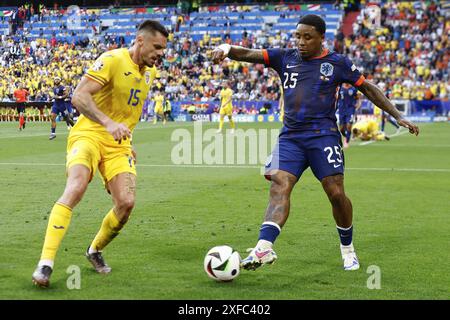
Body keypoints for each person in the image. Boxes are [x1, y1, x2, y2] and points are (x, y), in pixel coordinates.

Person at [211, 14, 419, 272]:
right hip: (290, 137)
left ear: (322, 37)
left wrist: (397, 115)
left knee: (336, 193)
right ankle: (264, 246)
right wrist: (226, 49)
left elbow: (368, 88)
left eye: (307, 37)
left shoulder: (337, 63)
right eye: (298, 36)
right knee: (279, 184)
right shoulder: (284, 57)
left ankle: (348, 249)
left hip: (324, 137)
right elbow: (250, 53)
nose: (300, 41)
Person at [31, 20, 168, 288]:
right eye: (157, 47)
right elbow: (79, 96)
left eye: (163, 49)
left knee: (126, 204)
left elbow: (126, 112)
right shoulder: (112, 60)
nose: (161, 53)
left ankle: (94, 250)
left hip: (119, 145)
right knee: (77, 186)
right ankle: (45, 264)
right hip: (90, 134)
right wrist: (108, 124)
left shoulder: (150, 73)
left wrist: (128, 140)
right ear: (140, 41)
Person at [337, 83, 361, 148]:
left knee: (349, 126)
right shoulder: (340, 87)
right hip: (341, 109)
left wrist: (358, 104)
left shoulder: (353, 88)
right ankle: (345, 136)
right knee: (341, 128)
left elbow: (358, 97)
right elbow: (337, 98)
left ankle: (346, 141)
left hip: (350, 109)